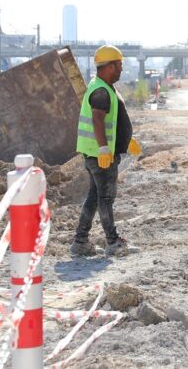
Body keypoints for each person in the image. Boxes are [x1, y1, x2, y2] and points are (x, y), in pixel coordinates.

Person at [71, 45, 141, 257]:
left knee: (95, 198)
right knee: (106, 198)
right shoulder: (101, 91)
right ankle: (113, 242)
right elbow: (98, 120)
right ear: (109, 66)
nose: (121, 69)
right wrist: (103, 149)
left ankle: (80, 242)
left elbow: (112, 120)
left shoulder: (103, 85)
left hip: (99, 152)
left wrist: (125, 140)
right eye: (119, 65)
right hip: (101, 155)